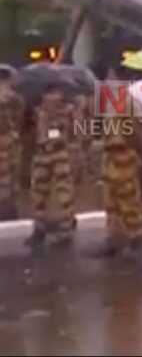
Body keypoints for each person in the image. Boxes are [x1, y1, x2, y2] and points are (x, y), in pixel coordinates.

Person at [27, 83, 76, 248]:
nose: (51, 98)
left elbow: (66, 132)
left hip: (58, 153)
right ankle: (39, 228)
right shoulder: (38, 110)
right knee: (39, 192)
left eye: (54, 94)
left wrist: (49, 133)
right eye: (48, 94)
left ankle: (65, 230)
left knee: (63, 194)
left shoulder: (66, 110)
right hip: (41, 154)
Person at [99, 96, 142, 257]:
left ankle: (136, 237)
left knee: (129, 200)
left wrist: (135, 150)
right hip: (111, 157)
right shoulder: (109, 103)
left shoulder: (130, 103)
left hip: (124, 155)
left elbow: (138, 131)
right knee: (111, 202)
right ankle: (115, 238)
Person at [0, 69, 24, 220]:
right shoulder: (15, 98)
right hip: (11, 142)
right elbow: (20, 118)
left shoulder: (13, 99)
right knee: (9, 181)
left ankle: (7, 212)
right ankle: (8, 212)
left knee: (7, 180)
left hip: (9, 143)